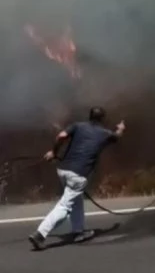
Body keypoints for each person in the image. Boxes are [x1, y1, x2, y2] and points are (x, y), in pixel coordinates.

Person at [28, 107, 125, 250]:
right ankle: (40, 234)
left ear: (90, 116)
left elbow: (61, 136)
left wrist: (54, 152)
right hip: (78, 175)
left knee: (76, 200)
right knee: (64, 206)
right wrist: (121, 128)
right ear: (102, 119)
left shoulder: (77, 125)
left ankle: (78, 232)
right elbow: (117, 136)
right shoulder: (105, 133)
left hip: (63, 170)